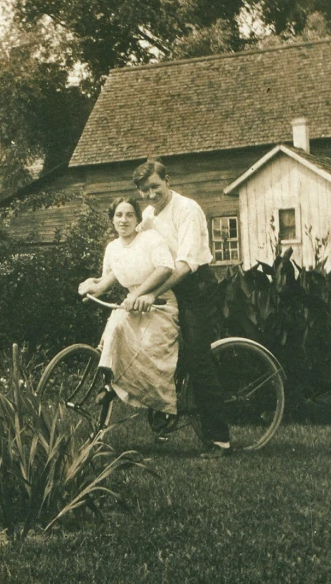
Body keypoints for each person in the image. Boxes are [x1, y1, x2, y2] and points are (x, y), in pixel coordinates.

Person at [130, 158, 233, 459]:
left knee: (198, 358)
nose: (151, 194)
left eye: (155, 187)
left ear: (168, 181)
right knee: (157, 346)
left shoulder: (187, 209)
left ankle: (219, 440)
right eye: (144, 190)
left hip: (196, 287)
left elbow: (186, 264)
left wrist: (151, 292)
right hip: (169, 287)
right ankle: (166, 408)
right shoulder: (149, 214)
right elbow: (135, 246)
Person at [77, 197, 182, 419]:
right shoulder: (113, 248)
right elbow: (112, 276)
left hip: (159, 303)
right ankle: (111, 384)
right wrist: (95, 288)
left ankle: (162, 406)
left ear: (137, 219)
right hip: (133, 305)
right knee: (114, 328)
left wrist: (138, 294)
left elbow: (165, 268)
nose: (123, 220)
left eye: (129, 215)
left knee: (149, 350)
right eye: (119, 215)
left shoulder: (150, 239)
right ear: (112, 219)